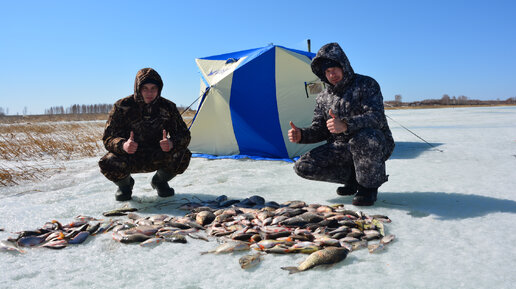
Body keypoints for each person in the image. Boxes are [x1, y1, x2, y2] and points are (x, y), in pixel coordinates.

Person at [288, 43, 394, 206]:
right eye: (328, 72)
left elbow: (376, 117)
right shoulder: (323, 97)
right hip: (342, 146)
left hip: (374, 142)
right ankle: (354, 179)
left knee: (363, 138)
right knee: (303, 166)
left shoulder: (366, 84)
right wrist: (302, 135)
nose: (332, 74)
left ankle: (368, 187)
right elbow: (320, 130)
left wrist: (346, 124)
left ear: (344, 66)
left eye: (335, 69)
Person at [99, 68, 191, 201]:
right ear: (138, 88)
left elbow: (184, 135)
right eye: (145, 88)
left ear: (159, 89)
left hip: (158, 154)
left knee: (183, 155)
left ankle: (160, 181)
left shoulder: (168, 107)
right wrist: (123, 145)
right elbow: (108, 138)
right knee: (108, 161)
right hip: (130, 156)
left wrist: (171, 143)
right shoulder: (122, 106)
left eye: (153, 88)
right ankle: (125, 186)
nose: (149, 93)